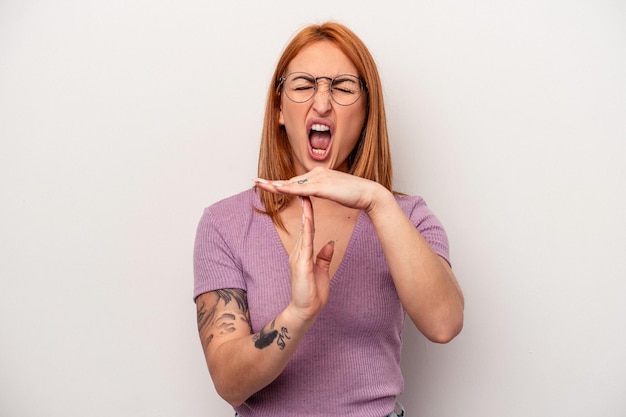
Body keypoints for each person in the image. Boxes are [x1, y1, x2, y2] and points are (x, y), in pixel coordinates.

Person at [193, 21, 464, 417]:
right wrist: (298, 314)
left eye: (342, 87)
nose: (322, 103)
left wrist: (376, 198)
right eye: (303, 85)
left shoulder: (407, 217)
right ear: (280, 109)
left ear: (366, 112)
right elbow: (228, 380)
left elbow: (444, 323)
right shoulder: (224, 224)